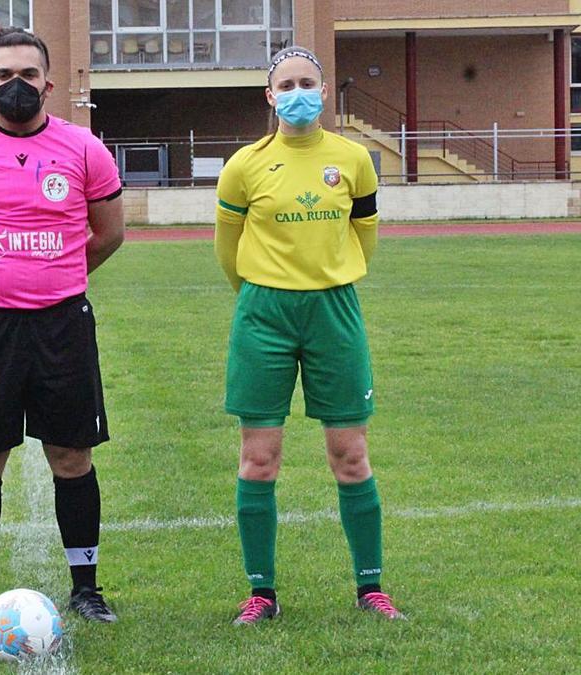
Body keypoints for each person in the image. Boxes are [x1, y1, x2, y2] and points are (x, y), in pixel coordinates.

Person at [0, 27, 125, 625]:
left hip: (63, 325)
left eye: (29, 75)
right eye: (6, 76)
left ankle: (86, 588)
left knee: (72, 456)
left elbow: (109, 232)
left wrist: (60, 271)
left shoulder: (83, 148)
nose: (18, 86)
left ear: (49, 84)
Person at [214, 46, 404, 625]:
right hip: (263, 314)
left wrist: (329, 279)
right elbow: (229, 250)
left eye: (308, 82)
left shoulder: (354, 160)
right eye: (287, 84)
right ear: (270, 96)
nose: (299, 92)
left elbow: (363, 236)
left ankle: (370, 587)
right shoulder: (244, 164)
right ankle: (261, 594)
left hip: (334, 311)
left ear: (324, 92)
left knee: (350, 455)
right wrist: (262, 291)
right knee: (259, 460)